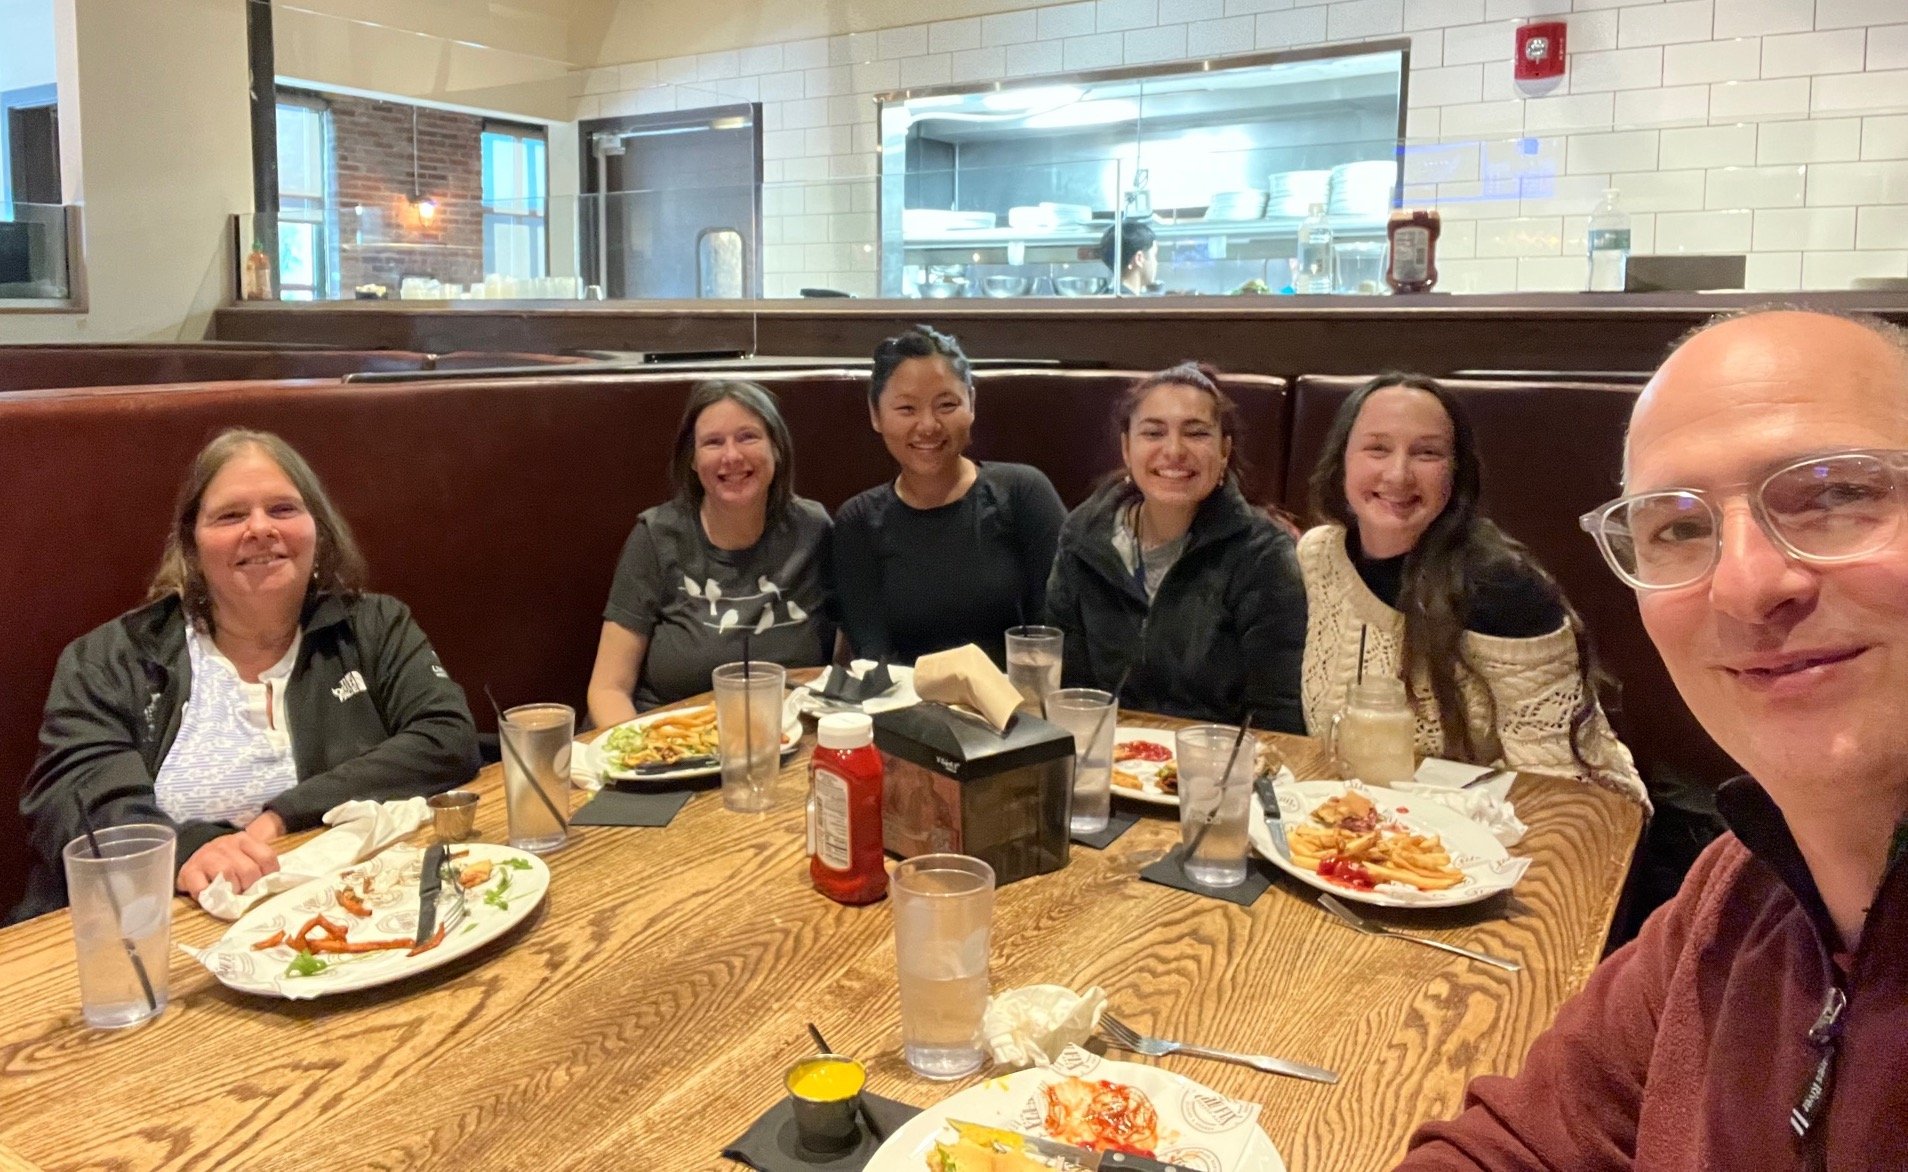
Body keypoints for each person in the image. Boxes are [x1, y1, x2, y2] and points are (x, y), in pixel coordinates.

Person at [1396, 310, 1908, 1169]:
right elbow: (1517, 1148)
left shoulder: (1500, 585)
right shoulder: (1736, 893)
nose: (1746, 586)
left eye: (1835, 495)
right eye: (1678, 527)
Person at [16, 429, 480, 920]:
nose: (260, 528)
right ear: (191, 544)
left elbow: (447, 737)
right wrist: (186, 848)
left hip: (352, 908)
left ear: (317, 530)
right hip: (153, 926)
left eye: (283, 509)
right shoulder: (111, 657)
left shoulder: (375, 625)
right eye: (231, 515)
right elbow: (72, 799)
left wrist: (284, 815)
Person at [1299, 374, 1645, 802]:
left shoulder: (1500, 586)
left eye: (1427, 453)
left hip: (1516, 822)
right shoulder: (1320, 557)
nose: (1398, 474)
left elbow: (1562, 785)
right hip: (1357, 819)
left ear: (1455, 472)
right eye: (1377, 448)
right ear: (1342, 460)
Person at [1045, 362, 1305, 731]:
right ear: (1126, 448)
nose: (1174, 450)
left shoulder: (1263, 553)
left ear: (1224, 450)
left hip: (1217, 759)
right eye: (1153, 433)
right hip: (1107, 754)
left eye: (1196, 433)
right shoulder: (1083, 537)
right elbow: (1067, 689)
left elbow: (1277, 713)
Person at [588, 380, 834, 724]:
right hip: (665, 737)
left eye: (748, 437)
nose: (732, 456)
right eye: (713, 442)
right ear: (692, 459)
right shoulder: (657, 536)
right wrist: (643, 750)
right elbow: (608, 689)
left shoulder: (813, 530)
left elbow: (843, 663)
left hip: (780, 738)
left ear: (777, 448)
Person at [832, 326, 1066, 667]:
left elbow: (1058, 631)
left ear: (971, 402)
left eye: (946, 405)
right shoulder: (858, 521)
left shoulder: (1023, 492)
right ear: (875, 414)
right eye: (907, 409)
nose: (928, 425)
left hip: (1018, 696)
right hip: (905, 699)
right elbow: (873, 659)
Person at [1098, 220, 1157, 296]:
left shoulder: (1105, 296)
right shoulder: (1131, 302)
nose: (1156, 263)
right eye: (1154, 255)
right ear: (1139, 258)